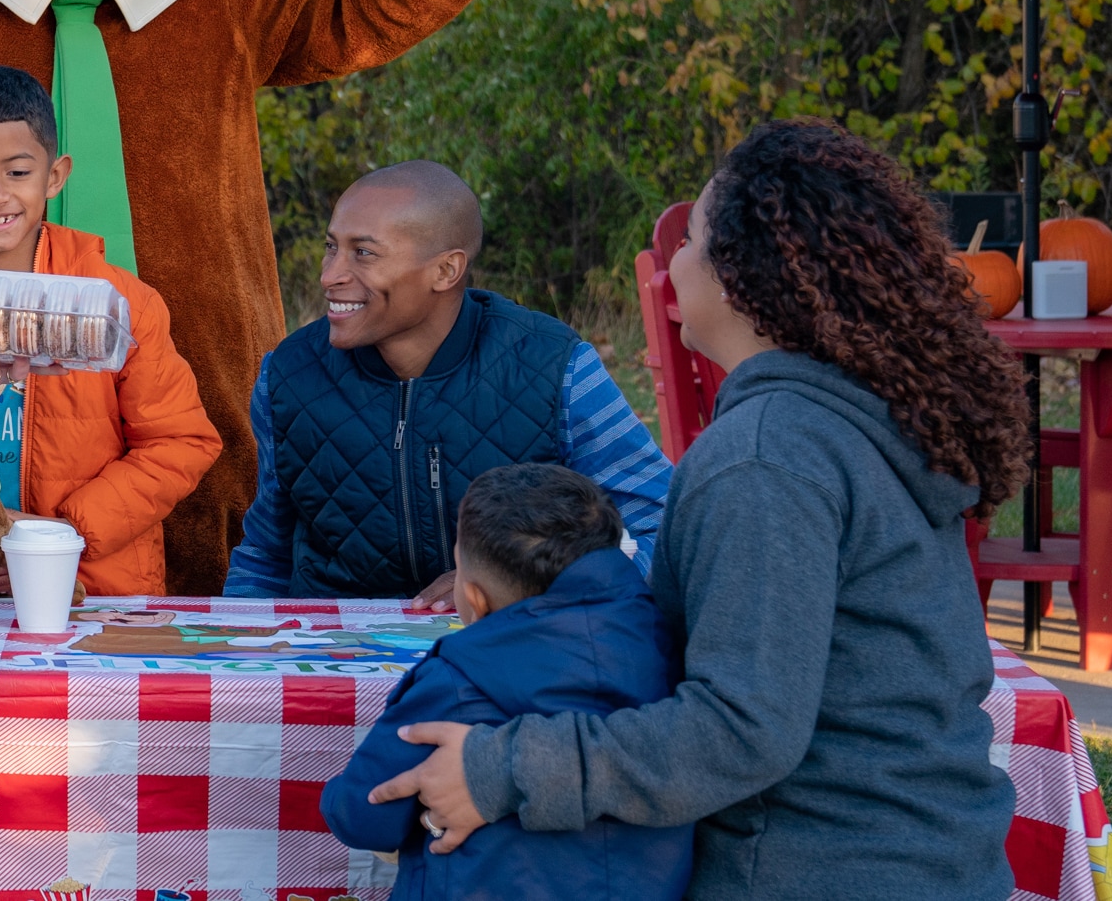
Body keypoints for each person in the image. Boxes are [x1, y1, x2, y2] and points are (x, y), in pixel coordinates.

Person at [370, 120, 1029, 901]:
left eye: (692, 237)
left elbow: (741, 729)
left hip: (817, 872)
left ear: (742, 276)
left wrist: (503, 770)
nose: (674, 258)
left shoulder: (766, 456)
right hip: (931, 861)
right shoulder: (860, 421)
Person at [224, 160, 672, 601]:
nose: (329, 275)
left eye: (363, 253)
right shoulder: (287, 376)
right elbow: (266, 555)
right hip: (327, 667)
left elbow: (664, 532)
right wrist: (235, 658)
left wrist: (521, 587)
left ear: (445, 271)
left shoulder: (558, 369)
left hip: (508, 658)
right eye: (330, 247)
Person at [0, 64, 222, 596]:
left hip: (86, 589)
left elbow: (181, 442)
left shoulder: (118, 307)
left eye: (17, 172)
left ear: (55, 176)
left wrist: (58, 537)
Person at [320, 462, 693, 900]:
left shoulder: (456, 679)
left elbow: (364, 816)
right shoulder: (672, 645)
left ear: (474, 599)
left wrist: (336, 800)